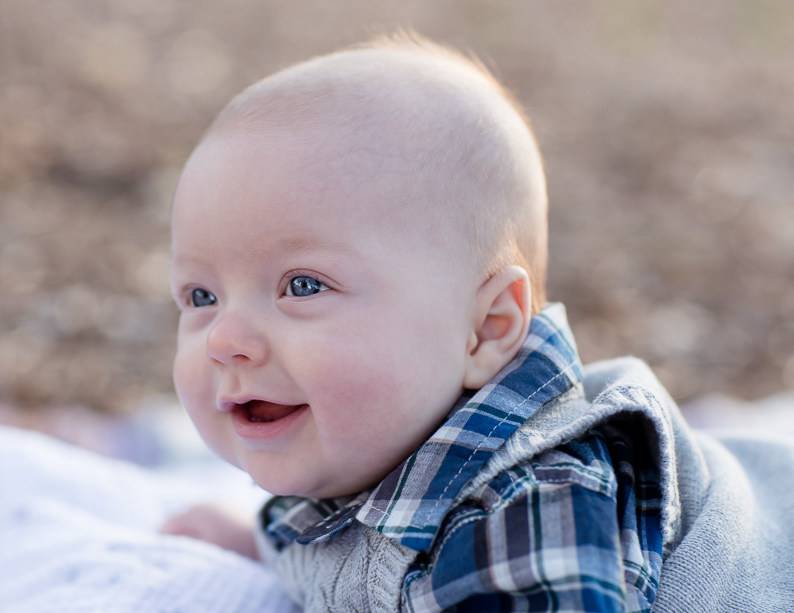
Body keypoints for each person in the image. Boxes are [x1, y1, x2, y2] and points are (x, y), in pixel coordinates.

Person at [163, 33, 794, 612]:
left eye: (302, 286)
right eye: (200, 296)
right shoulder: (361, 440)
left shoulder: (529, 507)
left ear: (488, 328)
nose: (224, 340)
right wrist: (264, 546)